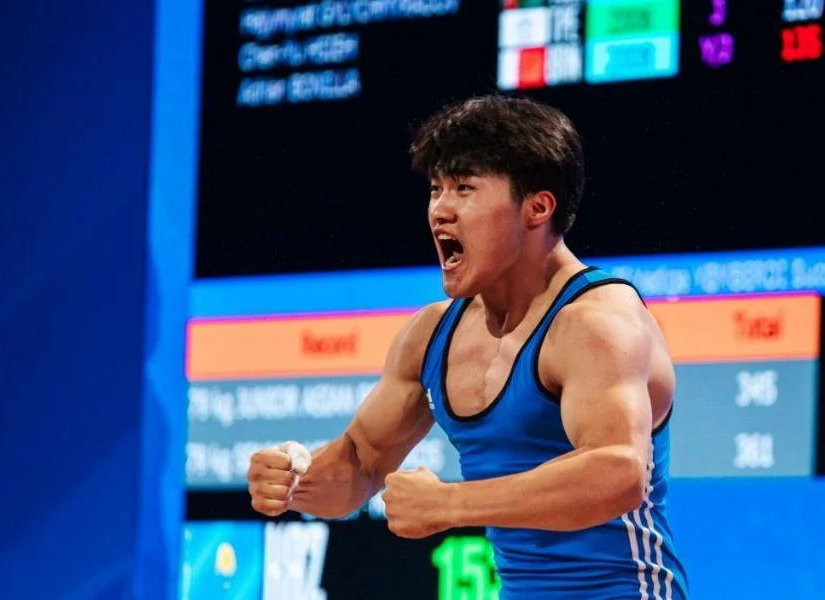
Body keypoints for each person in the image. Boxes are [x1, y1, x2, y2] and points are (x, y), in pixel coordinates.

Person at [247, 95, 690, 599]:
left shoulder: (596, 321)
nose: (440, 209)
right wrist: (293, 481)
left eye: (464, 187)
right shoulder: (432, 334)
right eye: (436, 188)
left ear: (538, 207)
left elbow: (619, 472)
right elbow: (360, 466)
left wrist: (450, 504)